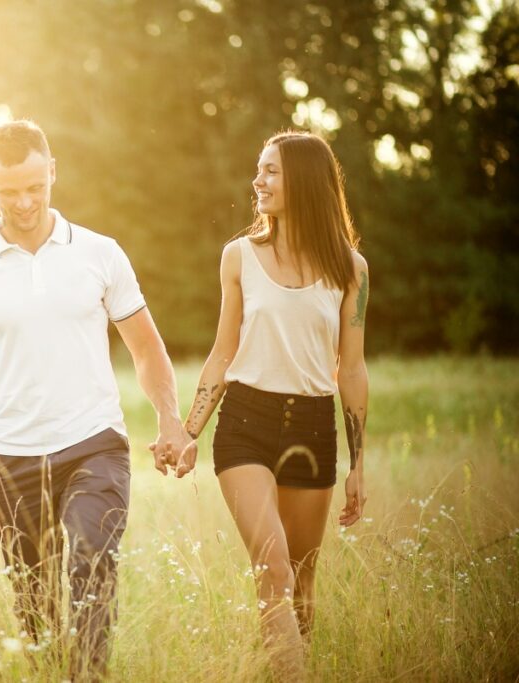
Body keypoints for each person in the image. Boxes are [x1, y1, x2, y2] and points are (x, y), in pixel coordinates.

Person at [0, 119, 195, 680]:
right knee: (36, 615)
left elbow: (147, 349)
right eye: (10, 191)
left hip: (94, 444)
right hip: (12, 458)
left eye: (36, 186)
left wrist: (171, 421)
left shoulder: (100, 255)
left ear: (53, 171)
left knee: (91, 563)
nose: (25, 202)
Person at [177, 131, 369, 680]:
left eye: (270, 172)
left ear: (304, 182)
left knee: (304, 579)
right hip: (245, 424)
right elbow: (222, 351)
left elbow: (351, 368)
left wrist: (358, 463)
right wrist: (190, 432)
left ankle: (280, 664)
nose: (256, 182)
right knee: (274, 568)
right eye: (258, 170)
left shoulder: (350, 269)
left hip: (313, 428)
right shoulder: (238, 257)